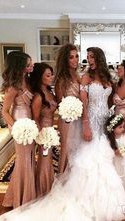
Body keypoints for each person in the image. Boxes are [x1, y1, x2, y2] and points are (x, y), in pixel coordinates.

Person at [0, 47, 125, 221]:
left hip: (99, 119)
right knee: (70, 152)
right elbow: (60, 102)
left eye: (79, 57)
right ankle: (54, 189)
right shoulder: (68, 79)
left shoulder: (84, 76)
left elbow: (104, 97)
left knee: (92, 153)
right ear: (66, 59)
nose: (78, 60)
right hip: (72, 119)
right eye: (74, 57)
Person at [0, 51, 35, 208]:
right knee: (23, 160)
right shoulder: (13, 87)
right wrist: (16, 127)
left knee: (29, 157)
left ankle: (26, 193)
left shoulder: (27, 80)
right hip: (19, 123)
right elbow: (4, 111)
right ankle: (21, 198)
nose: (32, 65)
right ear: (20, 67)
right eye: (28, 64)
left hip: (29, 122)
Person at [29, 62, 57, 197]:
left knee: (48, 160)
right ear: (40, 77)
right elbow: (35, 118)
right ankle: (43, 191)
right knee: (44, 160)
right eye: (48, 75)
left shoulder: (49, 91)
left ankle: (48, 186)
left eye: (51, 74)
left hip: (51, 130)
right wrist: (41, 137)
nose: (51, 77)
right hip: (44, 133)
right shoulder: (38, 96)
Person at [55, 43, 81, 173]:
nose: (75, 59)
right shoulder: (61, 79)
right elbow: (61, 103)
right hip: (67, 119)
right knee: (66, 147)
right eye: (71, 57)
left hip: (79, 118)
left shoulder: (77, 75)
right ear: (65, 59)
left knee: (78, 147)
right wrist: (70, 111)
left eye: (76, 56)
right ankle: (63, 177)